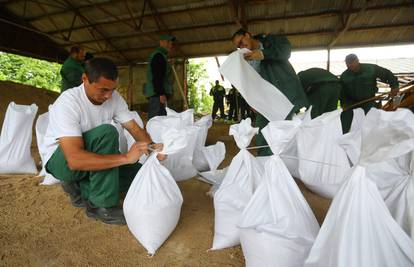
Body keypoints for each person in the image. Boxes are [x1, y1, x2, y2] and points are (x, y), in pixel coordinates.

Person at [44, 57, 162, 225]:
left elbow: (134, 129)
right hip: (63, 163)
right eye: (103, 90)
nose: (108, 96)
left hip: (91, 157)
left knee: (139, 175)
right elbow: (74, 159)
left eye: (113, 90)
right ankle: (102, 206)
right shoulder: (68, 103)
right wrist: (126, 158)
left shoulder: (114, 98)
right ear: (84, 79)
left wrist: (153, 150)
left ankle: (81, 189)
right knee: (107, 133)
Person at [231, 28, 309, 156]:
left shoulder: (270, 40)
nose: (241, 46)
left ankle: (283, 165)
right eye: (238, 46)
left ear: (247, 34)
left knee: (282, 132)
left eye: (241, 41)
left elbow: (285, 51)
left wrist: (263, 54)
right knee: (263, 131)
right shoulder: (246, 59)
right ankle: (265, 163)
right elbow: (249, 83)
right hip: (265, 100)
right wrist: (251, 102)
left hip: (284, 95)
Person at [340, 54, 399, 133]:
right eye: (348, 63)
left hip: (368, 100)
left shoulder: (371, 69)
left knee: (371, 118)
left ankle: (373, 136)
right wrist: (344, 103)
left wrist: (394, 86)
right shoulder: (344, 76)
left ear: (357, 61)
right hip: (351, 102)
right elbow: (342, 92)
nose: (350, 65)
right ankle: (343, 137)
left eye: (352, 63)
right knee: (344, 118)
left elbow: (387, 74)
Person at [144, 34, 176, 120]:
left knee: (161, 121)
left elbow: (165, 75)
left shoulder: (162, 56)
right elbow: (157, 75)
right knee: (155, 121)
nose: (170, 44)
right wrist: (160, 93)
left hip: (158, 94)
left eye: (171, 42)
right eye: (168, 42)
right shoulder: (158, 56)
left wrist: (169, 65)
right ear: (161, 42)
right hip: (157, 95)